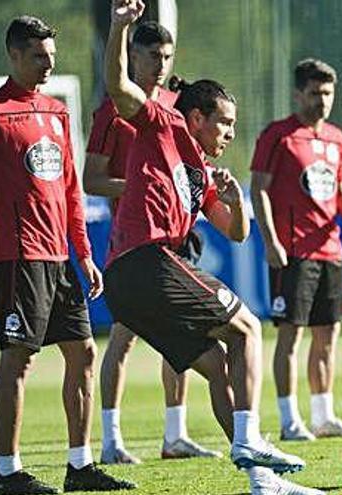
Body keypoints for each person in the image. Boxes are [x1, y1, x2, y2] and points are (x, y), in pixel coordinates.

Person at [102, 2, 322, 494]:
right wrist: (119, 26)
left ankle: (262, 481)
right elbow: (119, 88)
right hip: (144, 261)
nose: (230, 133)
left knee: (223, 369)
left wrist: (236, 199)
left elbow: (237, 232)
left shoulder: (198, 171)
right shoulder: (164, 124)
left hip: (131, 286)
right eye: (224, 123)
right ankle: (249, 442)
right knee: (246, 327)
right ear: (196, 116)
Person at [0, 15, 134, 495]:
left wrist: (82, 253)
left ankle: (80, 466)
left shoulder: (56, 112)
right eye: (39, 56)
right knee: (19, 360)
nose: (49, 64)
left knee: (84, 353)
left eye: (52, 55)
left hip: (59, 258)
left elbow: (69, 188)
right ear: (14, 56)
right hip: (18, 257)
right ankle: (7, 473)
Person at [84, 20, 219, 465]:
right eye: (151, 56)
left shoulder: (178, 109)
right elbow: (92, 180)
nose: (160, 64)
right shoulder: (115, 109)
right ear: (132, 56)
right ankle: (111, 438)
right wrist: (141, 187)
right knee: (123, 339)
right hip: (134, 239)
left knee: (181, 334)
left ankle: (175, 433)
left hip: (177, 230)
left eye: (167, 56)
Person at [251, 58, 342, 442]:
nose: (322, 100)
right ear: (297, 93)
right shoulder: (278, 136)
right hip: (293, 250)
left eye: (328, 93)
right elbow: (259, 189)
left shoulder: (336, 137)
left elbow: (337, 184)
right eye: (315, 93)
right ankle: (289, 420)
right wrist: (271, 241)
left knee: (328, 334)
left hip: (329, 249)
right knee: (290, 336)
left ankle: (324, 416)